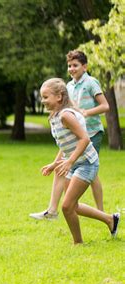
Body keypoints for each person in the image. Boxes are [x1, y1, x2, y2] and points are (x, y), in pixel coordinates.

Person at [30, 50, 110, 220]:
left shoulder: (91, 82)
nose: (72, 69)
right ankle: (52, 210)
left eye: (75, 65)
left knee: (90, 171)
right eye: (69, 66)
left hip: (91, 132)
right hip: (72, 133)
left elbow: (105, 106)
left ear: (85, 67)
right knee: (68, 167)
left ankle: (102, 213)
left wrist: (85, 113)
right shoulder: (69, 86)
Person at [38, 78, 119, 244]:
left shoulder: (66, 116)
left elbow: (84, 139)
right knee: (72, 206)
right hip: (75, 163)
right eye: (42, 97)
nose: (42, 100)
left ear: (59, 97)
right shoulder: (55, 116)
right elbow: (65, 145)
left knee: (66, 206)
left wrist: (69, 162)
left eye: (46, 97)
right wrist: (55, 164)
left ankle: (78, 243)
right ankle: (110, 220)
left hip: (87, 163)